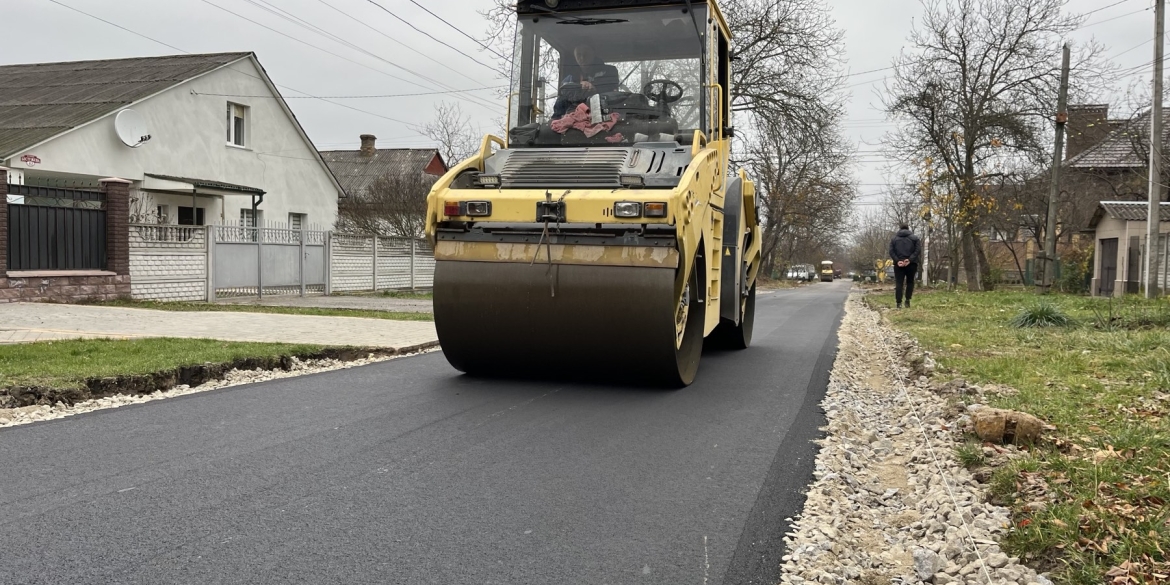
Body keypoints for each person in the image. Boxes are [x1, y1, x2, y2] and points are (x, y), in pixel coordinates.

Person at [552, 44, 620, 118]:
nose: (582, 58)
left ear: (593, 54)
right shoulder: (570, 77)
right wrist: (578, 85)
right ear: (574, 56)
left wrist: (595, 88)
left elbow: (613, 88)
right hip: (575, 116)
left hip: (604, 114)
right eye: (579, 54)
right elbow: (564, 91)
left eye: (586, 54)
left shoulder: (609, 71)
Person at [888, 223, 920, 308]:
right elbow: (917, 250)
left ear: (900, 229)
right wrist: (910, 260)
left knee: (899, 283)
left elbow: (891, 251)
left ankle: (898, 303)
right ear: (908, 229)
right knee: (910, 282)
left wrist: (898, 261)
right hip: (911, 264)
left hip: (899, 265)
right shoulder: (915, 238)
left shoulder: (894, 239)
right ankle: (907, 301)